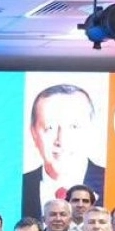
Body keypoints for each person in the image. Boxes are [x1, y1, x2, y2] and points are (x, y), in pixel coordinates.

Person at [21, 84, 105, 220]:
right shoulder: (19, 185)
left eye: (74, 127)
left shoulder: (110, 182)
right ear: (34, 133)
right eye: (50, 127)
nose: (61, 140)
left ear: (91, 131)